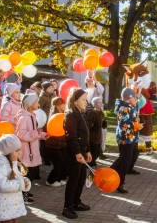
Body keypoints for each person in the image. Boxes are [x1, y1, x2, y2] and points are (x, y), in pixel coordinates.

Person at [0, 134, 31, 223]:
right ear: (8, 152)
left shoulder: (10, 162)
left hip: (8, 208)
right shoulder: (0, 164)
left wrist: (24, 182)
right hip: (1, 210)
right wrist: (20, 183)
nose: (20, 152)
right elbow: (1, 185)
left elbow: (14, 177)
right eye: (17, 150)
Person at [62, 88, 92, 219]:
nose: (86, 102)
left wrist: (88, 150)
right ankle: (67, 207)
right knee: (74, 179)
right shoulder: (71, 115)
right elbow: (72, 136)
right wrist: (77, 153)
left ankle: (76, 202)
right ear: (75, 102)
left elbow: (85, 134)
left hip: (82, 151)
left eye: (86, 99)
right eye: (83, 100)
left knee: (80, 179)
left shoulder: (82, 114)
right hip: (74, 153)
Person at [15, 93, 49, 204]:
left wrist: (43, 135)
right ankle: (22, 194)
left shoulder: (31, 115)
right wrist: (37, 133)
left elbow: (35, 133)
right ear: (30, 103)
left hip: (31, 149)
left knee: (32, 172)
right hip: (26, 150)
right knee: (28, 173)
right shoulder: (25, 117)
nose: (38, 103)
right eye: (36, 101)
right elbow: (22, 134)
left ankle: (25, 190)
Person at [110, 87, 143, 194]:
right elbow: (123, 123)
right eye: (135, 98)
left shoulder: (129, 107)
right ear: (129, 98)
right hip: (126, 140)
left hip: (131, 138)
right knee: (125, 162)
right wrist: (135, 125)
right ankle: (119, 183)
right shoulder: (124, 108)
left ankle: (109, 172)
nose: (136, 100)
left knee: (124, 159)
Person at [45, 97, 67, 187]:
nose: (65, 105)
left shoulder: (63, 114)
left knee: (64, 162)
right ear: (58, 105)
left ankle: (59, 178)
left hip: (61, 144)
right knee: (59, 163)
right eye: (63, 104)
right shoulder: (54, 116)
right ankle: (50, 180)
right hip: (53, 145)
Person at [86, 96, 105, 167]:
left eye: (101, 102)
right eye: (99, 102)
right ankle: (89, 163)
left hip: (98, 135)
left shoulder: (100, 112)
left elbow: (102, 120)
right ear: (95, 104)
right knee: (94, 151)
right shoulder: (92, 113)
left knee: (98, 151)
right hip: (93, 136)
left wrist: (103, 123)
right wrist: (92, 125)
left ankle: (92, 162)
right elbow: (88, 123)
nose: (101, 104)